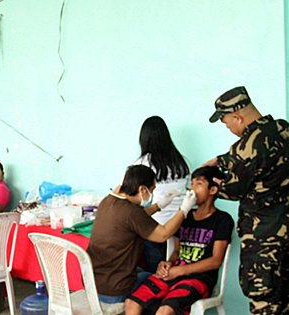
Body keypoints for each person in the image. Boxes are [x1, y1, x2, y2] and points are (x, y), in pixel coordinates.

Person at [204, 86, 289, 314]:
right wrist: (222, 160)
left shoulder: (245, 146)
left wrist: (208, 184)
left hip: (264, 239)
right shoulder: (285, 130)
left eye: (226, 123)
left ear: (237, 117)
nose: (229, 128)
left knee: (265, 303)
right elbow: (262, 156)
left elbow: (234, 189)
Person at [125, 166, 234, 315]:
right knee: (132, 303)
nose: (192, 189)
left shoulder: (222, 220)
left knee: (165, 311)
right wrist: (166, 263)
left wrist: (180, 271)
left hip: (198, 279)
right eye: (192, 183)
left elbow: (216, 260)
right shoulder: (185, 217)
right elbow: (176, 251)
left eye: (199, 184)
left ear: (213, 190)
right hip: (173, 273)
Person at [87, 165, 197, 305]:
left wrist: (159, 205)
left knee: (140, 271)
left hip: (94, 284)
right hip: (114, 291)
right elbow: (163, 235)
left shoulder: (108, 202)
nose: (152, 193)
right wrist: (184, 209)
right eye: (152, 190)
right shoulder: (132, 212)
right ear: (142, 189)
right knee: (158, 281)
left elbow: (135, 220)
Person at [134, 115, 190, 273]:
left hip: (156, 226)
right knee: (173, 267)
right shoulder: (182, 162)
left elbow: (134, 197)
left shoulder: (142, 164)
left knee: (155, 273)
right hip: (182, 224)